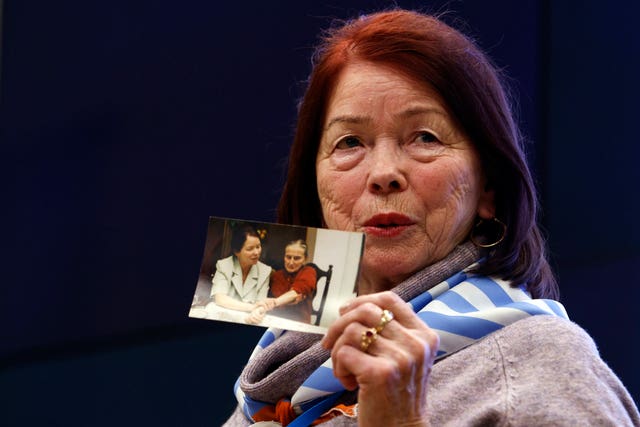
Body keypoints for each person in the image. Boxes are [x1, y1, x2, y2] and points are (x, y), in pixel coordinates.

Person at [222, 9, 640, 426]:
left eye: (425, 137)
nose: (384, 172)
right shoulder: (269, 378)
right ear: (315, 187)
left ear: (489, 190)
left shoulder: (543, 363)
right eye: (350, 142)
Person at [251, 240, 318, 324]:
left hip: (298, 323)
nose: (291, 262)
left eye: (297, 258)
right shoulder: (276, 276)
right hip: (274, 320)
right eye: (288, 257)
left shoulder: (309, 272)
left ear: (305, 259)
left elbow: (296, 292)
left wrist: (275, 302)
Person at [209, 225, 272, 313]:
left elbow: (261, 304)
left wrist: (258, 312)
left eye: (258, 247)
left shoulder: (265, 271)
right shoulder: (224, 265)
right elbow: (220, 298)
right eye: (250, 249)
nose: (257, 252)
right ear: (236, 252)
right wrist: (252, 308)